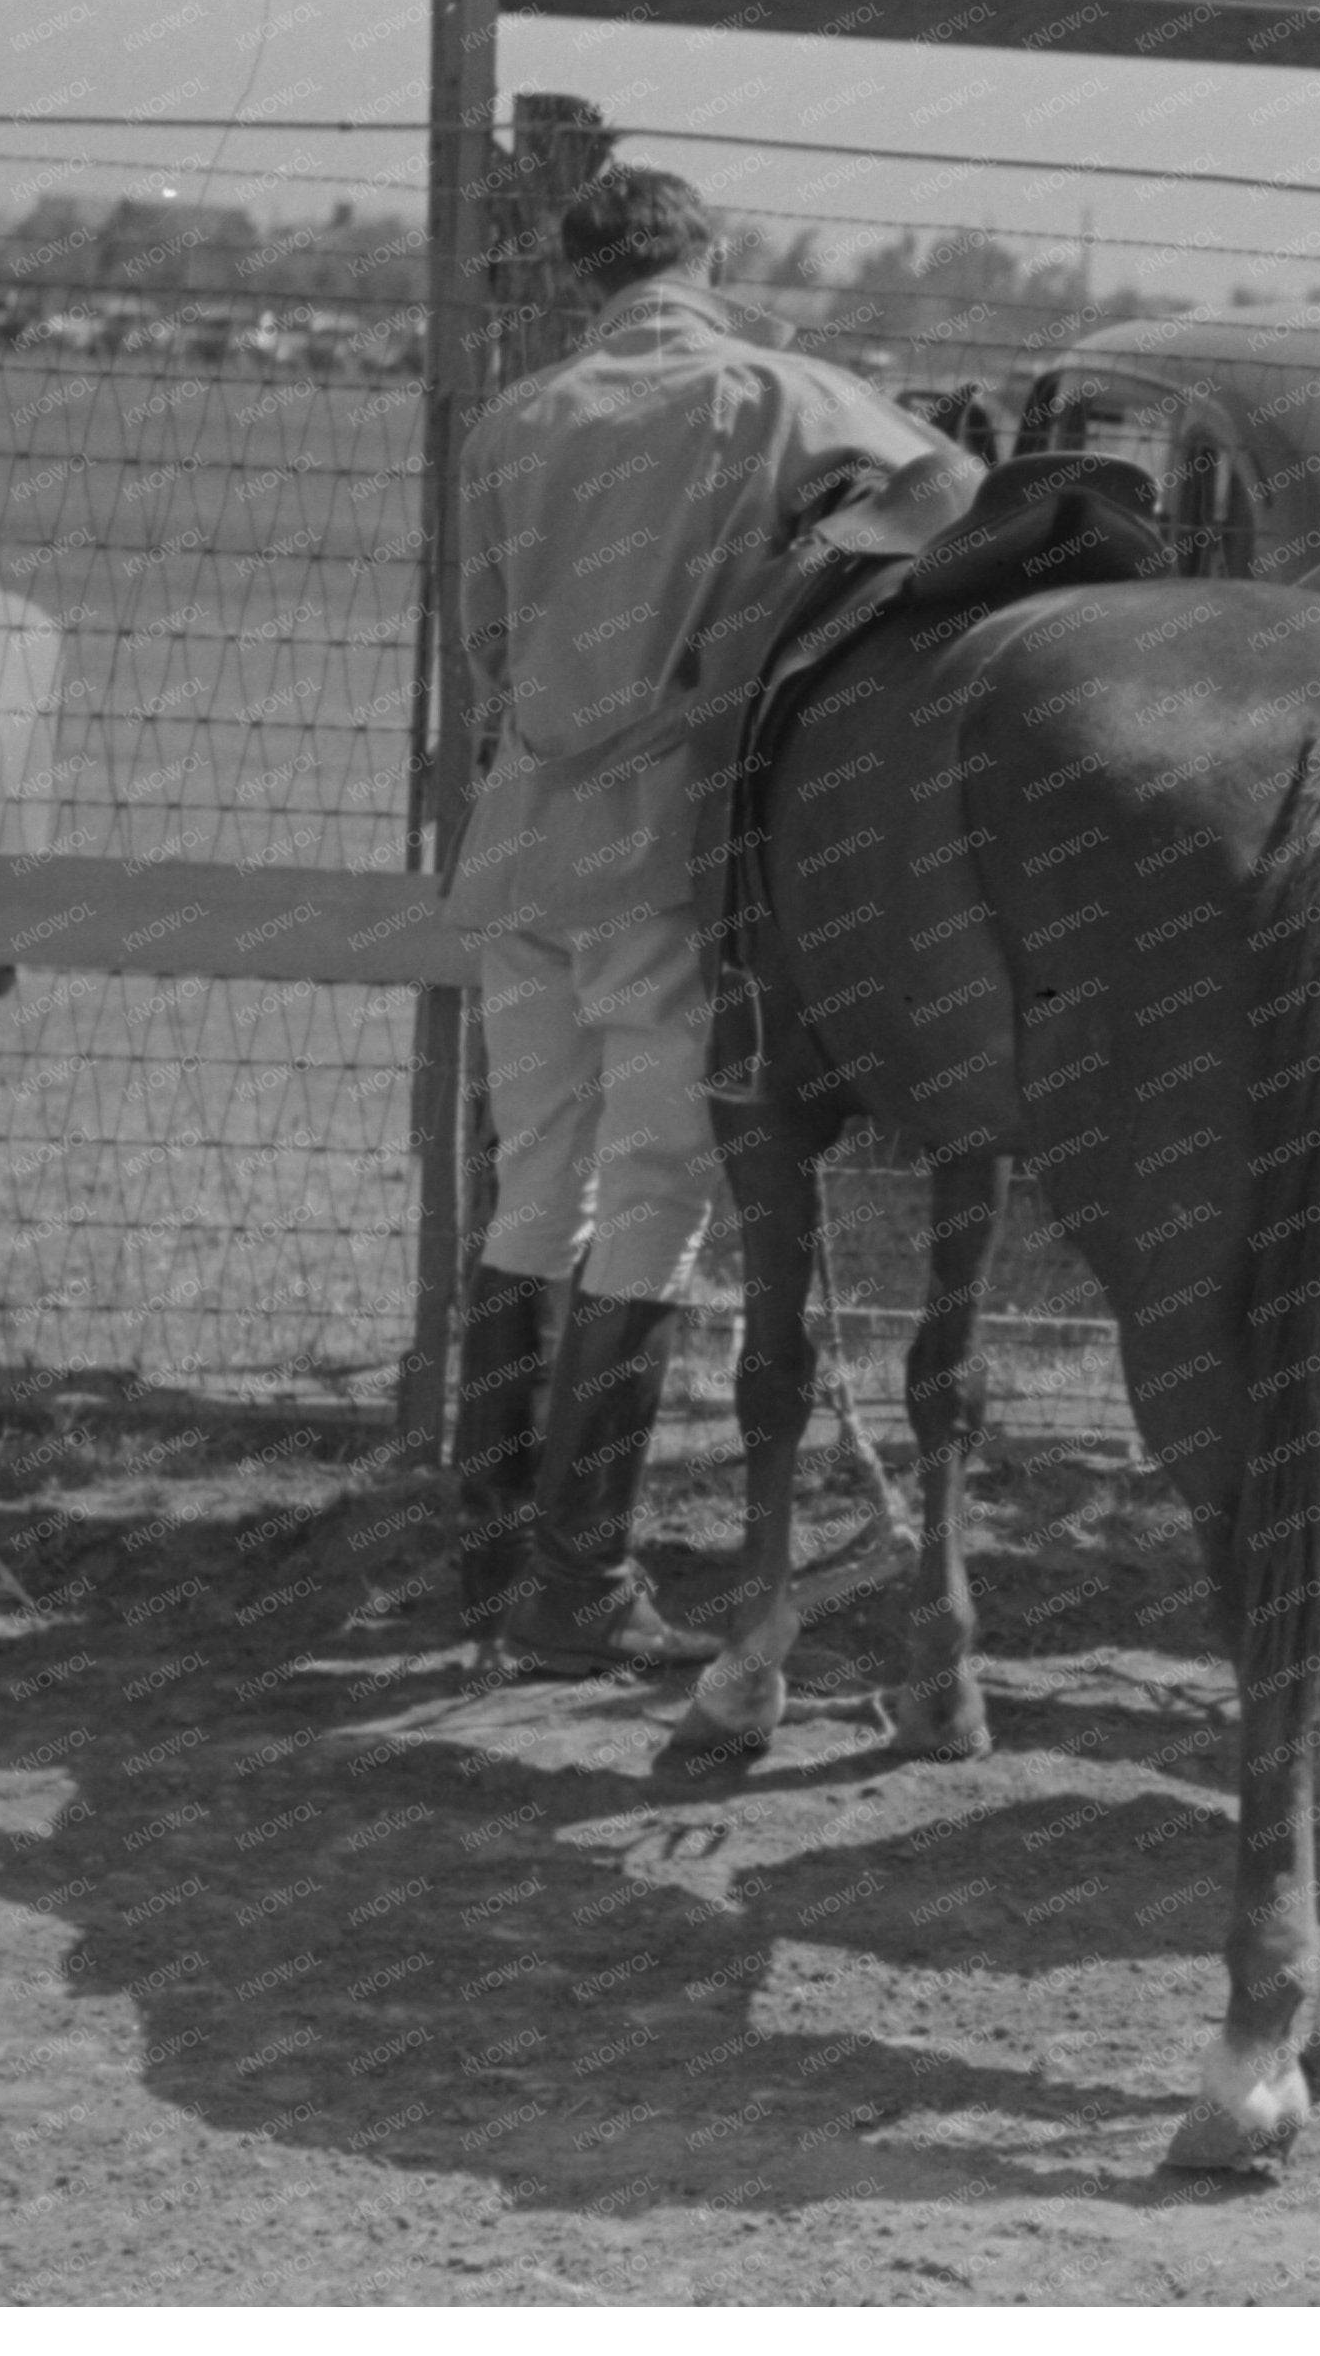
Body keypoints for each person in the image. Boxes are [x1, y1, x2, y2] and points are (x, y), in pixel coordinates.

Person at [442, 164, 973, 1670]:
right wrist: (800, 578)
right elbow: (947, 485)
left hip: (522, 848)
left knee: (536, 1186)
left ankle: (491, 1566)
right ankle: (581, 1585)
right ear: (712, 258)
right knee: (657, 1192)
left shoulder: (514, 419)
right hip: (664, 849)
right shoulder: (769, 389)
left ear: (576, 278)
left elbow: (485, 646)